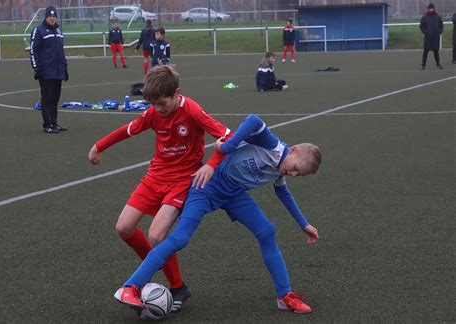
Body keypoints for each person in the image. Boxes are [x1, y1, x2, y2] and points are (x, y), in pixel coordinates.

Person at [113, 114, 322, 315]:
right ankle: (130, 287)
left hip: (233, 194)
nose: (292, 174)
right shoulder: (273, 147)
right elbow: (254, 120)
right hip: (206, 186)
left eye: (298, 174)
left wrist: (303, 224)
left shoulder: (281, 169)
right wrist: (229, 146)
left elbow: (283, 192)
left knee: (267, 231)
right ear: (292, 151)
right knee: (180, 238)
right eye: (295, 168)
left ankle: (285, 295)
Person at [88, 65, 231, 312]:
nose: (158, 109)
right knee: (123, 228)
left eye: (163, 103)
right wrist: (99, 146)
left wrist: (211, 164)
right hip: (154, 178)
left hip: (182, 181)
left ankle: (178, 287)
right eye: (153, 104)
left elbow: (228, 136)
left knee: (156, 236)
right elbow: (129, 130)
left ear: (177, 93)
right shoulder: (154, 113)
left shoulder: (193, 110)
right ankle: (156, 263)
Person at [29, 5, 68, 134]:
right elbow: (33, 51)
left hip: (58, 72)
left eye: (54, 16)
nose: (52, 19)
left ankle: (54, 122)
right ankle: (48, 124)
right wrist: (37, 68)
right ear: (45, 17)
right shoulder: (38, 31)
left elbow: (61, 52)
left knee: (55, 99)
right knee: (47, 98)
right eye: (50, 16)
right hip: (46, 72)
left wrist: (65, 68)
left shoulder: (58, 31)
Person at [419, 3, 444, 70]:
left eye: (432, 8)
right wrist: (425, 32)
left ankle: (438, 64)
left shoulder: (438, 17)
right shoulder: (424, 17)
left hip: (435, 38)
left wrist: (439, 32)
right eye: (430, 8)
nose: (431, 9)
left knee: (436, 52)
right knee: (425, 52)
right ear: (428, 9)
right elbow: (421, 26)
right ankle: (423, 65)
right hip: (428, 38)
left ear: (434, 9)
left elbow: (441, 26)